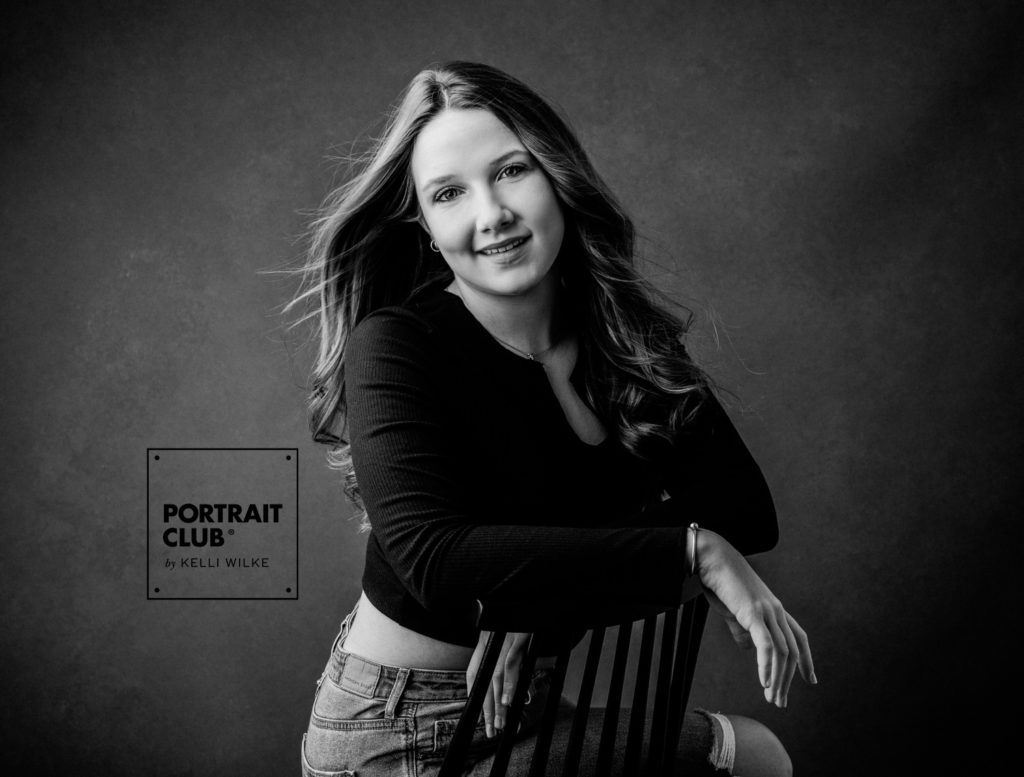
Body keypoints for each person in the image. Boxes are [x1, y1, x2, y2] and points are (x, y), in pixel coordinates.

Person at [289, 61, 815, 777]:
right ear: (427, 227)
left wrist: (540, 612)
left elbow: (746, 510)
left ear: (558, 176)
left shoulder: (619, 337)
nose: (492, 213)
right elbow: (438, 561)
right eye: (450, 193)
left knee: (755, 756)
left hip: (521, 709)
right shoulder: (397, 343)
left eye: (511, 171)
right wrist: (694, 551)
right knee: (752, 758)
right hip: (397, 729)